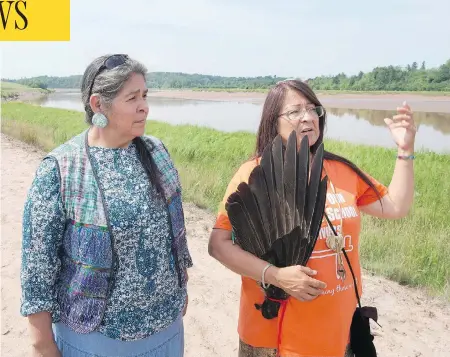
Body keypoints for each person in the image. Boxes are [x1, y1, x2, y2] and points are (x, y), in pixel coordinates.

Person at [208, 79, 416, 357]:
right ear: (274, 120)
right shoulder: (254, 174)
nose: (307, 117)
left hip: (335, 329)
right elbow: (218, 244)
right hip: (272, 334)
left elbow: (394, 206)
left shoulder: (339, 170)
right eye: (295, 111)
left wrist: (405, 149)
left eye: (313, 109)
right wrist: (277, 276)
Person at [20, 54, 193, 357]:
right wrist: (42, 345)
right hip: (95, 340)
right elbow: (37, 269)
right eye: (132, 98)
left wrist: (181, 289)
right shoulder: (61, 169)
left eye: (145, 95)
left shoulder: (156, 152)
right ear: (99, 105)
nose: (145, 106)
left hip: (166, 332)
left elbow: (172, 239)